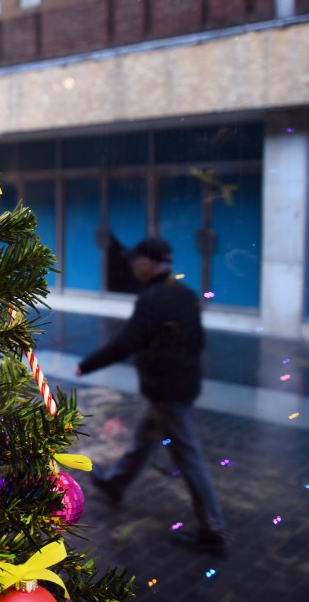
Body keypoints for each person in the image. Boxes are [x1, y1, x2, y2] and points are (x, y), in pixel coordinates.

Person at [75, 236, 228, 555]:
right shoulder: (183, 293)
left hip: (168, 388)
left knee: (188, 454)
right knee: (146, 437)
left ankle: (212, 527)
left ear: (147, 264)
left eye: (136, 261)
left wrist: (87, 365)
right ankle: (116, 483)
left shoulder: (153, 298)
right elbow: (197, 342)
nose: (132, 267)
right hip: (180, 384)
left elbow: (129, 340)